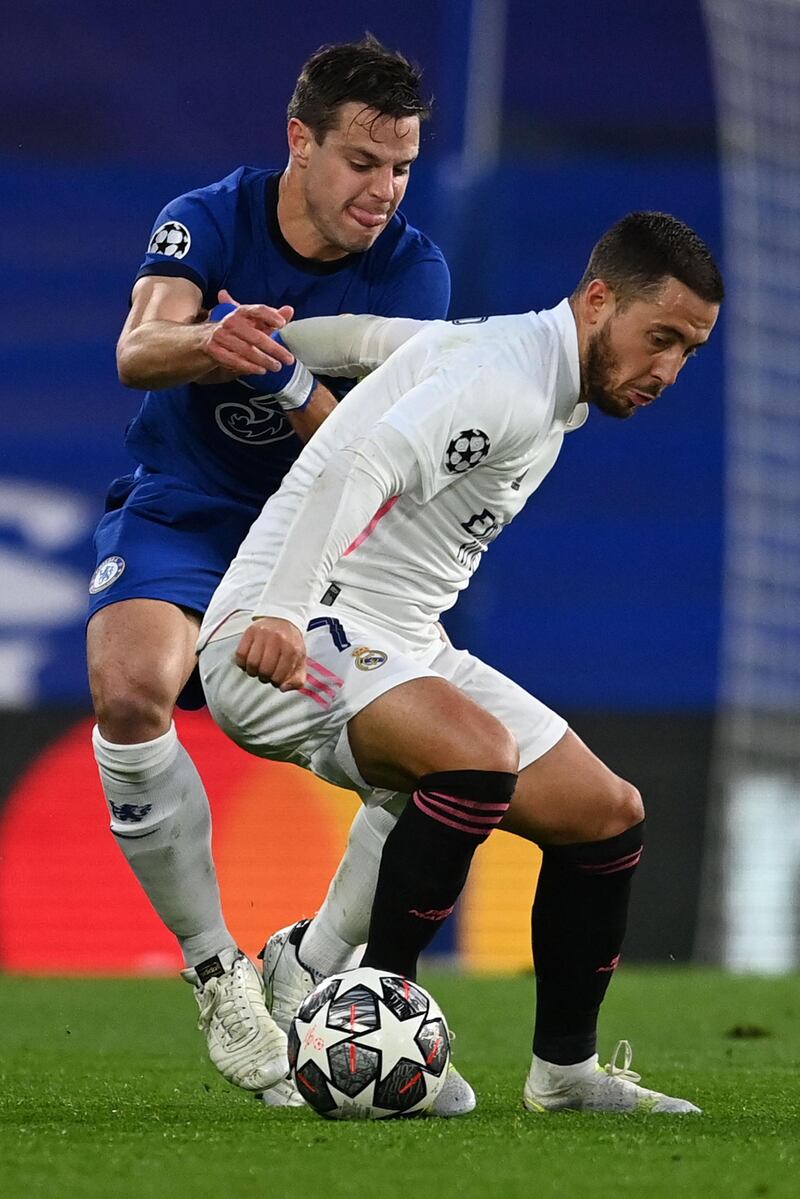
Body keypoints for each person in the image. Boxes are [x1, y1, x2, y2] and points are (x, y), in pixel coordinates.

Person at [197, 211, 723, 1115]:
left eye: (688, 352)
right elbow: (357, 461)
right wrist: (281, 607)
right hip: (285, 634)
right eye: (660, 338)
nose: (669, 371)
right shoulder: (507, 383)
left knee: (607, 814)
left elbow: (373, 341)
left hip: (400, 641)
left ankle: (563, 1074)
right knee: (472, 753)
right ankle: (373, 1030)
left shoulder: (520, 359)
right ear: (599, 300)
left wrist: (274, 339)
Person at [86, 37, 450, 1100]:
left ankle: (303, 964)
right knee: (128, 685)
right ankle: (219, 976)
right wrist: (215, 341)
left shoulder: (411, 270)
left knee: (426, 766)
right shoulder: (210, 215)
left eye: (401, 168)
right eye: (359, 162)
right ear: (299, 141)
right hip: (189, 518)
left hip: (314, 554)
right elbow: (137, 349)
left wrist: (289, 381)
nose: (381, 191)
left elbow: (373, 459)